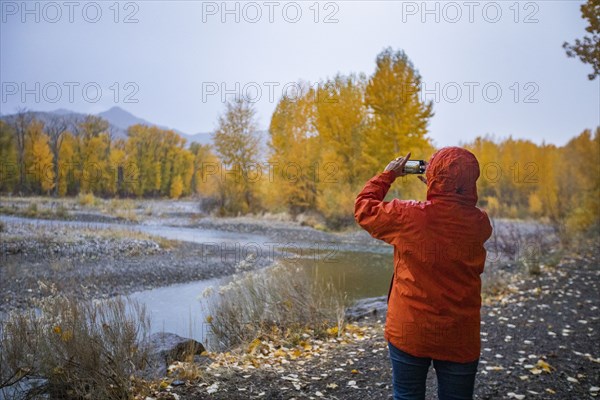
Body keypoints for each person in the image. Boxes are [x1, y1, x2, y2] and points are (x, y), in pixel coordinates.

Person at [354, 147, 493, 400]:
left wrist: (387, 175)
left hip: (410, 328)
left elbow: (364, 208)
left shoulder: (410, 216)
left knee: (407, 395)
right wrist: (442, 189)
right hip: (459, 333)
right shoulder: (480, 223)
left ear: (433, 176)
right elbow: (454, 212)